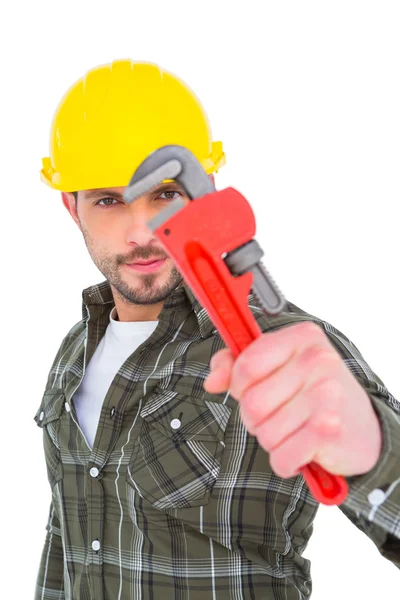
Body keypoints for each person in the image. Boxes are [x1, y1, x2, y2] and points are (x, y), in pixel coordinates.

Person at [34, 58, 400, 600]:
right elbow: (66, 540)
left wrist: (373, 454)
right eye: (108, 200)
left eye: (162, 195)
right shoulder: (73, 353)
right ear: (72, 207)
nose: (141, 231)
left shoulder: (283, 350)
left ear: (201, 194)